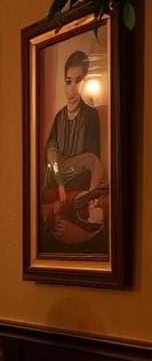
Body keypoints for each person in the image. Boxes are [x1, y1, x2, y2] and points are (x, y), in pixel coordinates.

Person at [41, 50, 106, 248]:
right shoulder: (59, 117)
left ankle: (88, 205)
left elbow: (92, 159)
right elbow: (51, 153)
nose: (72, 88)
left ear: (84, 82)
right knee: (54, 155)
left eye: (78, 81)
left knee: (93, 162)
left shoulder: (91, 115)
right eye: (68, 81)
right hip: (57, 175)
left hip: (81, 177)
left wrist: (88, 190)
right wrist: (61, 184)